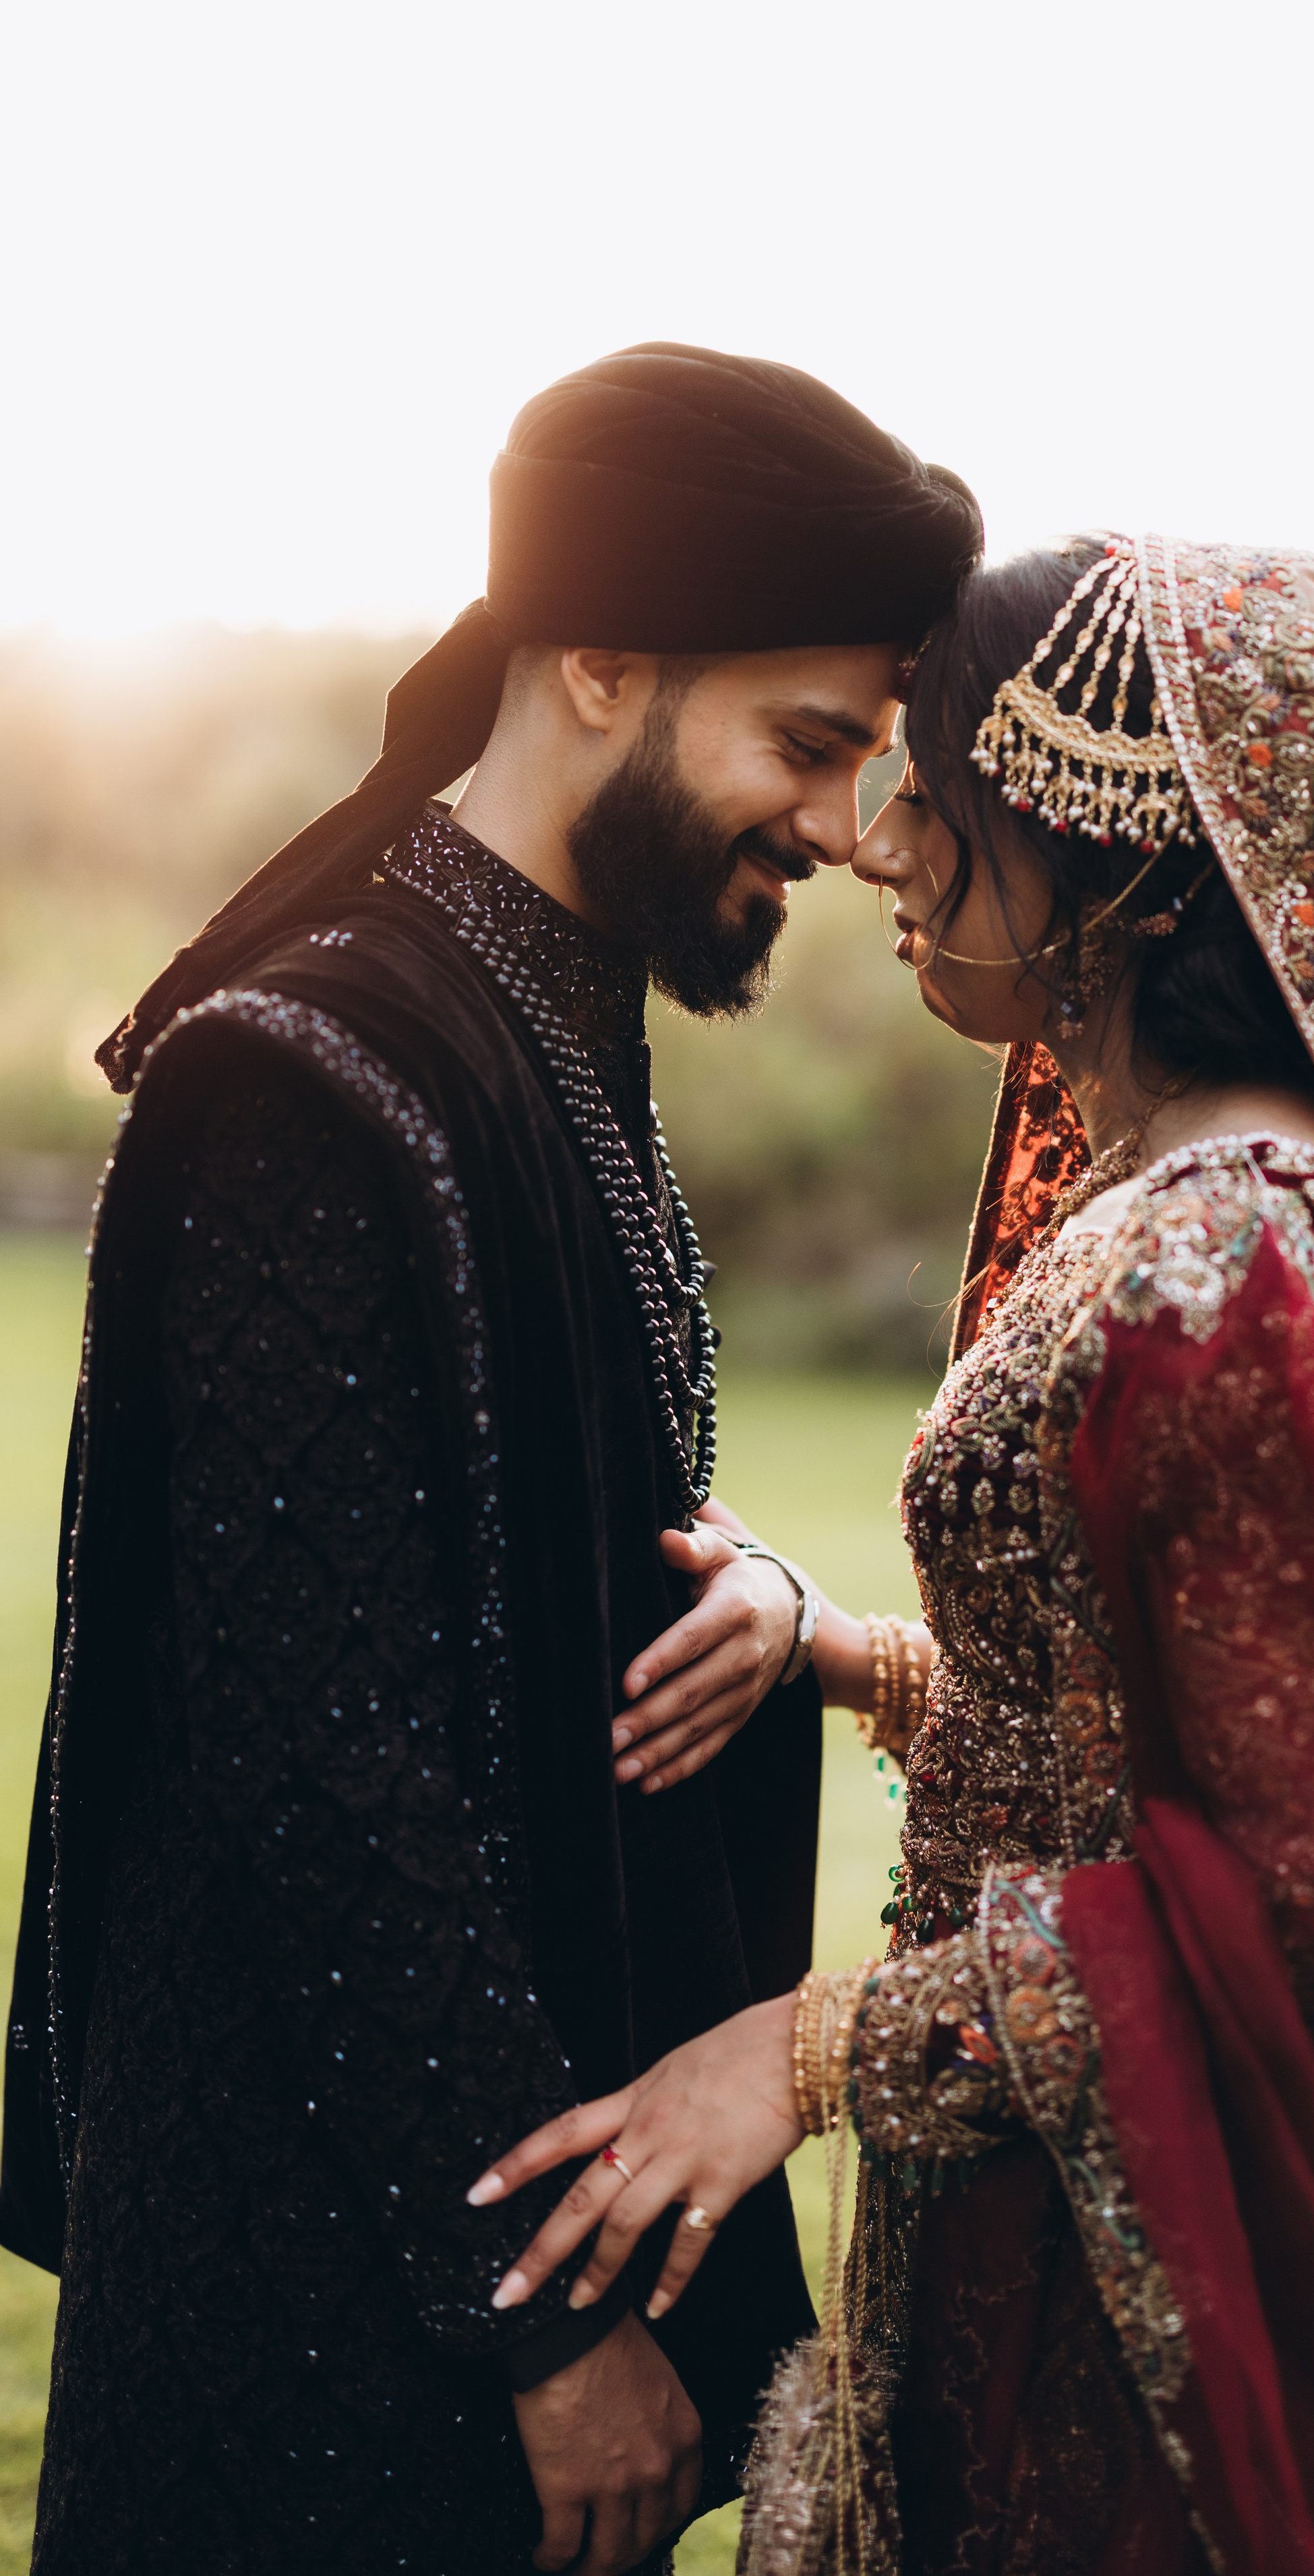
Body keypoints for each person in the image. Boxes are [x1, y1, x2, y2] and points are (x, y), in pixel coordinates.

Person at [473, 534, 1314, 2573]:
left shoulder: (1228, 1261)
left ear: (1112, 838)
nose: (881, 848)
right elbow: (1155, 1717)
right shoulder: (1304, 1203)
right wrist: (853, 1657)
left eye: (936, 789)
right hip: (1171, 2192)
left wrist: (799, 2054)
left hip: (1187, 2281)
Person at [0, 344, 981, 2576]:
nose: (844, 826)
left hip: (461, 2242)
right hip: (327, 2295)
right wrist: (534, 2326)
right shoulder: (309, 1068)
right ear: (602, 661)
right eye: (809, 745)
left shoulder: (544, 1005)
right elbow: (315, 1757)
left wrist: (747, 1609)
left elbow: (507, 1560)